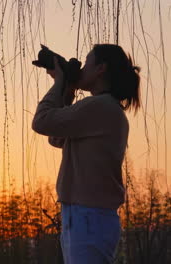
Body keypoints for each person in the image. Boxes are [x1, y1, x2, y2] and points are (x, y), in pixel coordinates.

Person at [31, 44, 141, 264]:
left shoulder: (100, 106)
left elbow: (42, 121)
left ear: (101, 68)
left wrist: (60, 82)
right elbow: (57, 136)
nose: (81, 67)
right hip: (86, 217)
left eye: (87, 61)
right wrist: (68, 91)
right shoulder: (102, 108)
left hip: (89, 218)